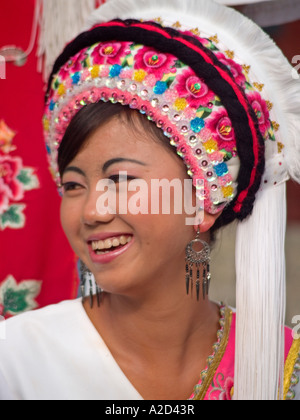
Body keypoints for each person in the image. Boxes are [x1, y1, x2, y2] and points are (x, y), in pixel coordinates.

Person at [0, 0, 299, 400]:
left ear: (203, 200)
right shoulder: (17, 359)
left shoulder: (281, 365)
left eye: (120, 178)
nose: (91, 211)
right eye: (73, 185)